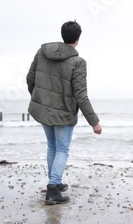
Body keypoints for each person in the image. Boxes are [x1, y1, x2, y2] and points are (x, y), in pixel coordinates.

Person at [27, 20, 102, 205]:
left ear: (62, 35)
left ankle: (56, 182)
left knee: (52, 146)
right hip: (64, 113)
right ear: (78, 39)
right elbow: (81, 95)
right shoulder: (78, 62)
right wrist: (94, 122)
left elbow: (30, 79)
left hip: (44, 109)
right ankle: (53, 188)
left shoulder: (41, 53)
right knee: (61, 149)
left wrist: (40, 99)